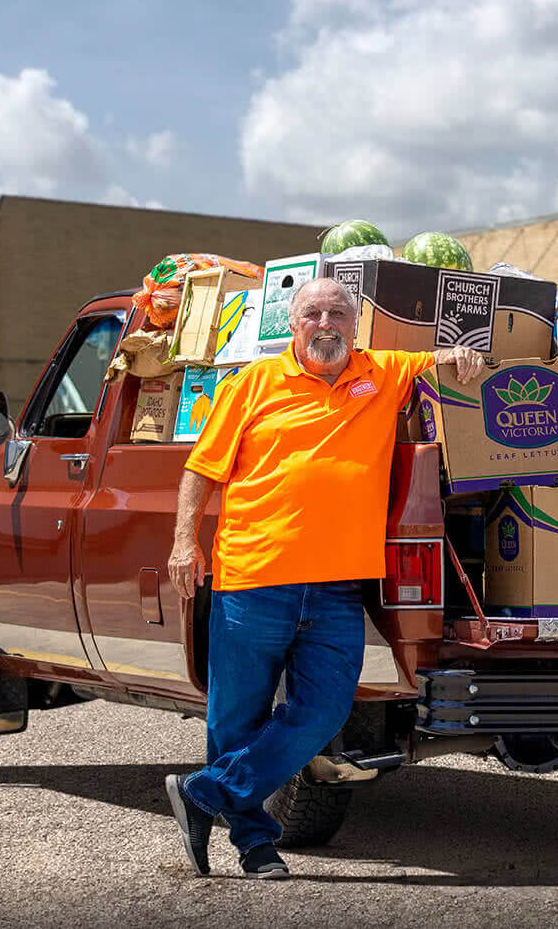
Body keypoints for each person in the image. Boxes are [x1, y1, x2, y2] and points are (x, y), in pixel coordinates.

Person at [163, 277, 484, 878]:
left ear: (356, 323)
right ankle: (256, 844)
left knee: (325, 710)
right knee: (236, 718)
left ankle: (204, 793)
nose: (327, 323)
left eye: (339, 312)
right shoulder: (252, 383)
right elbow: (200, 469)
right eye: (313, 313)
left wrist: (461, 356)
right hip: (255, 578)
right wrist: (185, 541)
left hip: (338, 587)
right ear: (294, 325)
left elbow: (443, 360)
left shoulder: (384, 371)